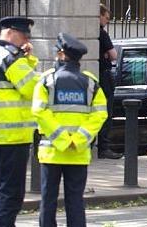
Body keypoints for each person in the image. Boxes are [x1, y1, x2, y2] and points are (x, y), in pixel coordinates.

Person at [32, 33, 108, 227]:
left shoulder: (47, 80)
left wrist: (62, 139)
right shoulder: (91, 83)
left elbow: (39, 111)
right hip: (78, 153)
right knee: (75, 201)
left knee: (48, 200)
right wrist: (78, 139)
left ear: (61, 54)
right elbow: (100, 114)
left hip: (52, 153)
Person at [0, 17, 40, 227]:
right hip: (12, 135)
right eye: (24, 35)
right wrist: (32, 62)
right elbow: (32, 88)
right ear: (10, 32)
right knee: (12, 190)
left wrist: (27, 59)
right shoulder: (11, 58)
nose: (27, 40)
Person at [97, 3, 122, 159]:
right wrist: (107, 54)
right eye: (106, 18)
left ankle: (98, 146)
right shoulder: (102, 34)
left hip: (96, 76)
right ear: (99, 16)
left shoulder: (92, 33)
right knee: (106, 112)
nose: (107, 21)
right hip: (105, 77)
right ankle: (104, 147)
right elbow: (114, 56)